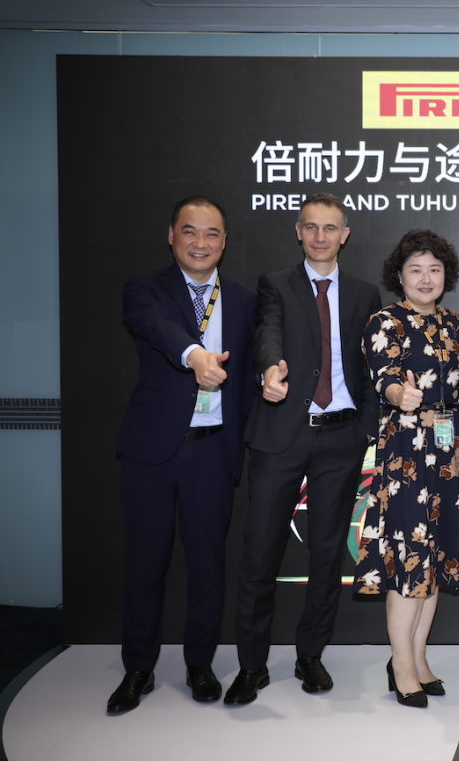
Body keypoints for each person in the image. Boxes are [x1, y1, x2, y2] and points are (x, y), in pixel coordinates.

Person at [225, 193, 382, 705]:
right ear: (298, 231)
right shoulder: (276, 284)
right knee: (260, 552)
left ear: (345, 235)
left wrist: (366, 427)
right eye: (311, 226)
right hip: (282, 434)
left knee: (327, 552)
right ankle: (252, 665)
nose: (320, 236)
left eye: (330, 228)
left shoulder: (364, 294)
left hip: (342, 437)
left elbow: (370, 364)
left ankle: (310, 654)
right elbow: (266, 334)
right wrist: (270, 369)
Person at [108, 196, 256, 713]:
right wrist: (195, 355)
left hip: (211, 450)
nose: (200, 242)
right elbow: (155, 326)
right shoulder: (145, 289)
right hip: (151, 449)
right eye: (189, 231)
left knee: (208, 565)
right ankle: (138, 668)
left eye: (211, 233)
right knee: (145, 564)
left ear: (224, 241)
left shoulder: (243, 299)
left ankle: (199, 664)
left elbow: (254, 366)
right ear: (171, 235)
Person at [353, 230, 459, 708]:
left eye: (434, 269)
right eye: (415, 270)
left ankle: (419, 659)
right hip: (407, 454)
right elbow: (385, 378)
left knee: (435, 561)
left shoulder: (454, 323)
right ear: (399, 276)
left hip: (449, 456)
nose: (426, 279)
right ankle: (401, 665)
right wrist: (399, 395)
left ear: (446, 274)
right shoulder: (385, 321)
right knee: (410, 562)